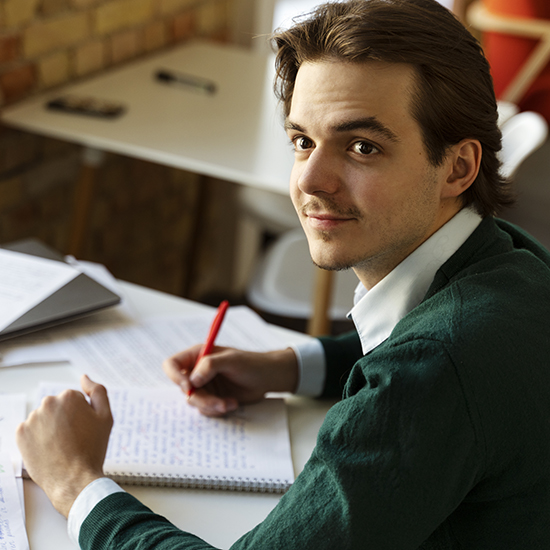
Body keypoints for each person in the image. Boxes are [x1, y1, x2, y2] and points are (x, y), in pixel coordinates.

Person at [16, 0, 550, 548]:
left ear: (458, 167)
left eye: (362, 147)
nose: (311, 180)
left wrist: (76, 482)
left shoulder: (433, 370)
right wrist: (289, 367)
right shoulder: (513, 260)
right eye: (303, 141)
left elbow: (428, 365)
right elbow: (426, 348)